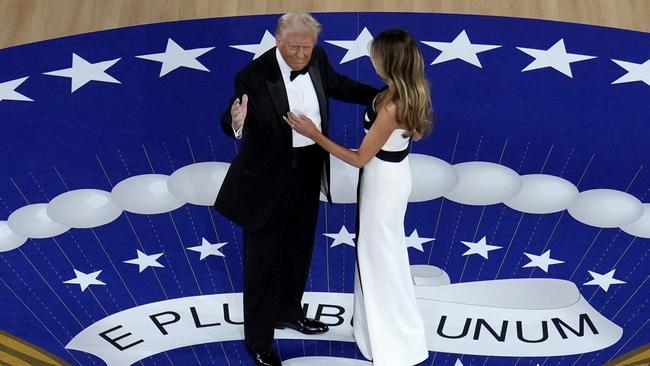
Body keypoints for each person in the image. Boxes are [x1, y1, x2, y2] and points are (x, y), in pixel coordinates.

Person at [213, 12, 379, 366]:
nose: (302, 54)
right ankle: (259, 340)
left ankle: (288, 311)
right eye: (295, 47)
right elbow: (231, 117)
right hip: (268, 178)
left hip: (308, 169)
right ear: (278, 40)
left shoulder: (317, 58)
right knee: (262, 262)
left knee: (299, 247)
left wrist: (380, 97)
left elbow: (338, 85)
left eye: (308, 47)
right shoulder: (253, 76)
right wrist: (236, 122)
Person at [286, 29, 434, 366]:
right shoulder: (407, 91)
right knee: (376, 253)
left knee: (379, 257)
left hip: (383, 184)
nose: (372, 59)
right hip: (389, 177)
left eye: (376, 55)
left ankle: (396, 341)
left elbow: (357, 158)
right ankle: (371, 330)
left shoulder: (394, 105)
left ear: (390, 63)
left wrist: (313, 134)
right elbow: (421, 131)